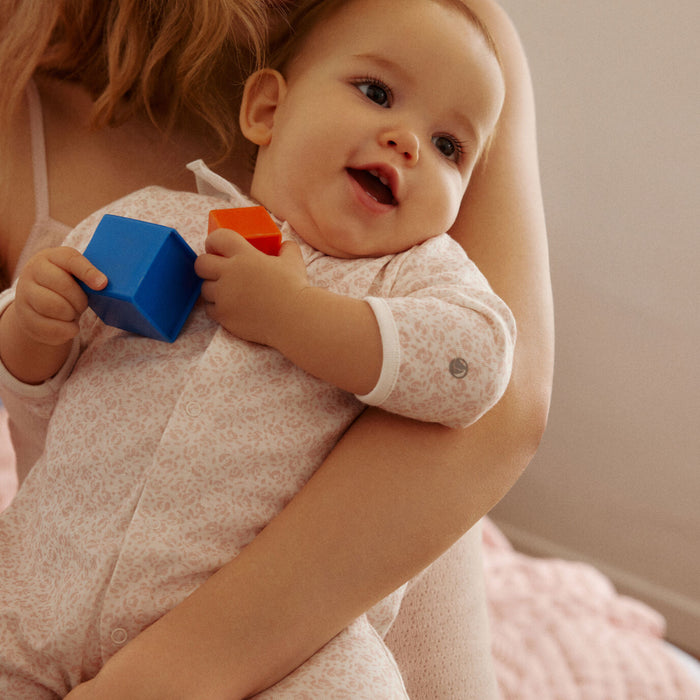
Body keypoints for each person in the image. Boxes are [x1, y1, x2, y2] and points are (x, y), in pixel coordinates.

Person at [0, 0, 553, 698]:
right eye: (376, 94)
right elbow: (47, 382)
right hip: (49, 580)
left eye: (451, 148)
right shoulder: (154, 215)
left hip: (284, 637)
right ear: (265, 109)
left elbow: (481, 372)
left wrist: (300, 317)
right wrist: (28, 333)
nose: (411, 142)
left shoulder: (412, 273)